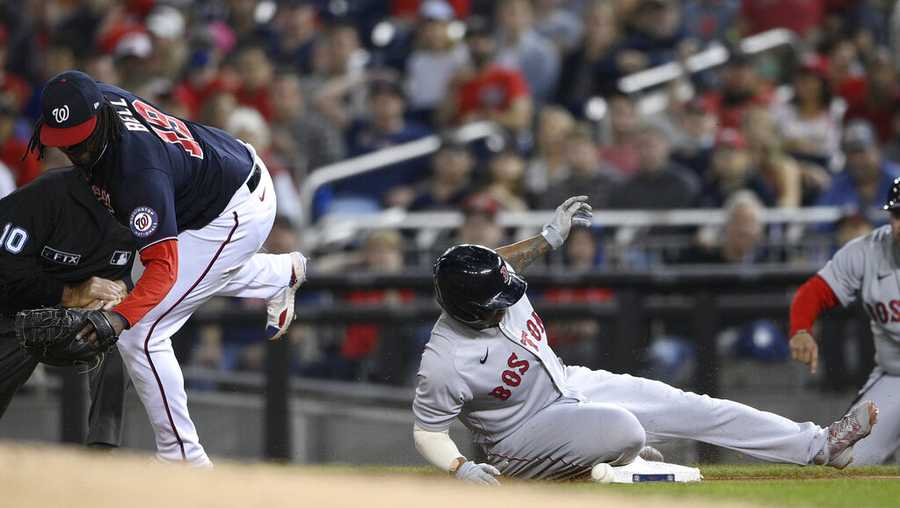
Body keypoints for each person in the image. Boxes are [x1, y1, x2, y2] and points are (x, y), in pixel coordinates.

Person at [413, 197, 878, 483]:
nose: (507, 294)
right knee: (625, 430)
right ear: (468, 307)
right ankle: (613, 462)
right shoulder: (445, 359)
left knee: (693, 406)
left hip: (567, 384)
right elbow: (427, 430)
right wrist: (459, 467)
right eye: (496, 297)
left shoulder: (483, 280)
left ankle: (819, 445)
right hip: (519, 439)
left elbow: (497, 260)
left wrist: (549, 239)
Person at [25, 70, 307, 466]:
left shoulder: (137, 172)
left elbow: (164, 270)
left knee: (141, 333)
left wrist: (120, 319)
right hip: (217, 172)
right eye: (64, 140)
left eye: (79, 139)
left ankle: (184, 460)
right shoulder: (92, 99)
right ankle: (280, 274)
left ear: (99, 118)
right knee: (200, 273)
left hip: (233, 211)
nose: (74, 150)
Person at [0, 166, 133, 448]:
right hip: (12, 315)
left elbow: (137, 271)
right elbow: (6, 271)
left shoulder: (141, 208)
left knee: (117, 328)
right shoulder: (44, 196)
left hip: (72, 320)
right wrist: (69, 293)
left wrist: (122, 288)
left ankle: (102, 450)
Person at [788, 176, 900, 465]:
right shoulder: (868, 251)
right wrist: (801, 329)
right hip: (895, 377)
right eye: (898, 215)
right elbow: (813, 292)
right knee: (845, 462)